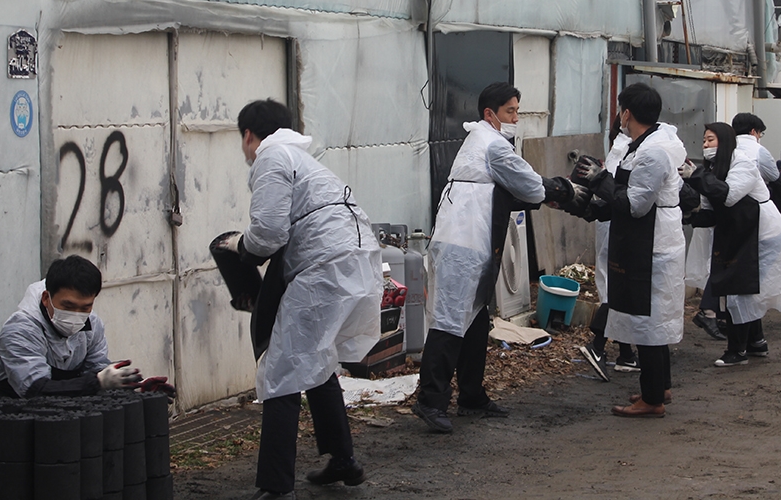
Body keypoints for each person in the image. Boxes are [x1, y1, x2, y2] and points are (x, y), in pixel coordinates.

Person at [228, 98, 381, 498]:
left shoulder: (271, 156)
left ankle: (276, 488)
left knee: (281, 371)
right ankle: (343, 461)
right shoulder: (301, 158)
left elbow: (269, 232)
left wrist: (239, 249)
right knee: (315, 359)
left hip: (325, 268)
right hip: (353, 261)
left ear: (248, 135)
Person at [414, 83, 574, 433]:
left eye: (517, 110)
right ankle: (430, 400)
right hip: (463, 246)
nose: (516, 118)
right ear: (490, 114)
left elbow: (510, 193)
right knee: (449, 322)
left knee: (473, 320)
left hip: (469, 244)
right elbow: (531, 188)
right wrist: (564, 190)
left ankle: (471, 396)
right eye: (510, 112)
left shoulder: (479, 142)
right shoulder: (494, 146)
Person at [572, 83, 686, 418]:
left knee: (647, 320)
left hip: (651, 243)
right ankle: (659, 384)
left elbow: (635, 204)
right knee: (652, 318)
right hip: (645, 238)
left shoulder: (652, 152)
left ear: (626, 113)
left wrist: (599, 181)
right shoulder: (646, 145)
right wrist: (589, 203)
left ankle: (653, 399)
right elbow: (623, 196)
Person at [684, 122, 781, 366]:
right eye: (704, 141)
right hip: (739, 232)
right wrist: (689, 214)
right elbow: (710, 209)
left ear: (725, 141)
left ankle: (737, 350)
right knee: (742, 289)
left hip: (759, 234)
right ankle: (756, 342)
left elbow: (729, 195)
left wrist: (696, 176)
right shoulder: (713, 169)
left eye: (711, 140)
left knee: (740, 291)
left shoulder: (742, 162)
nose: (706, 145)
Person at [0, 255, 147, 398]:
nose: (76, 314)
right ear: (46, 298)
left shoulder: (93, 327)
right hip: (3, 414)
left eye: (85, 307)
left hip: (57, 416)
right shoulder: (20, 331)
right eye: (68, 306)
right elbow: (35, 390)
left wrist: (137, 390)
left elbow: (97, 371)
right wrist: (98, 382)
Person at [579, 114, 639, 379]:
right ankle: (598, 346)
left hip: (618, 223)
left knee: (620, 288)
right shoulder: (625, 148)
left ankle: (625, 353)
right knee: (619, 288)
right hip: (618, 224)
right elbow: (615, 191)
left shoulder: (626, 147)